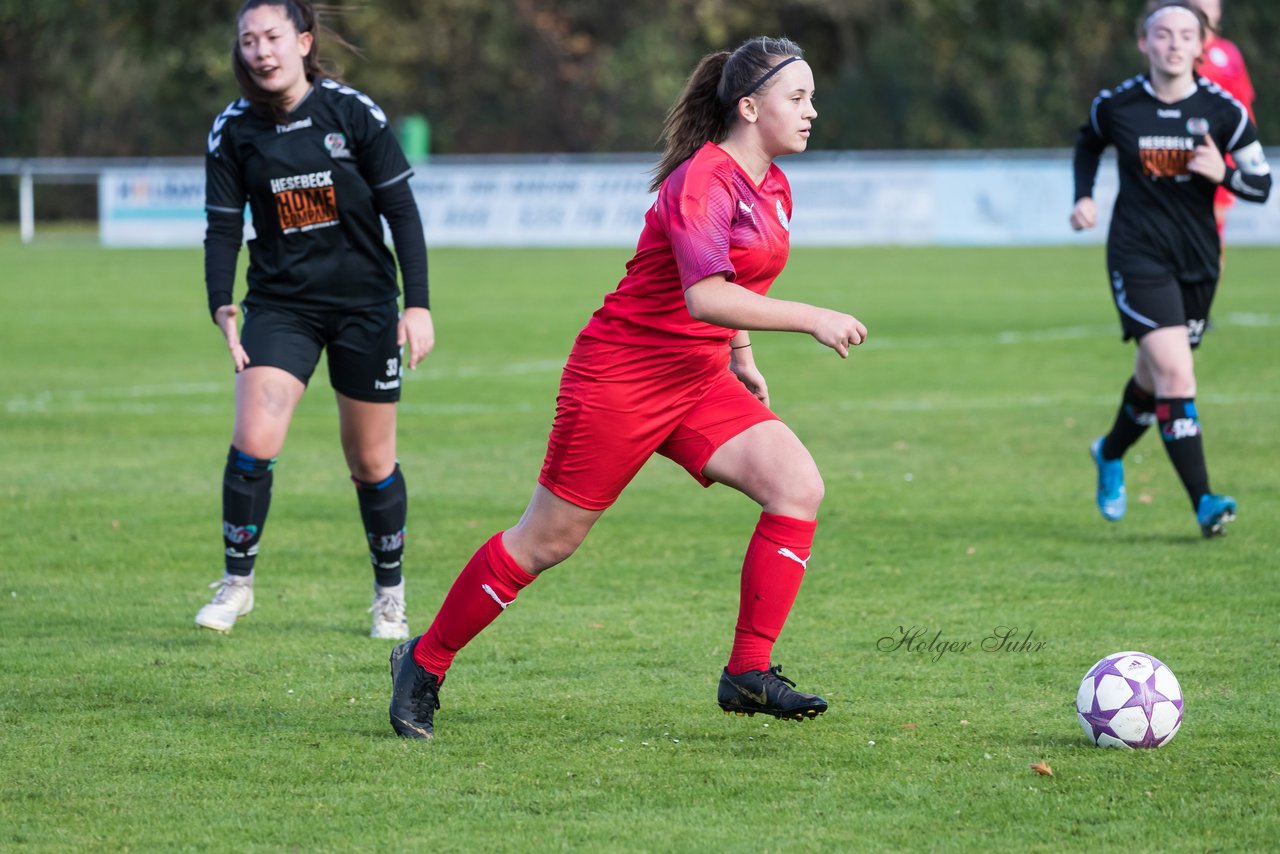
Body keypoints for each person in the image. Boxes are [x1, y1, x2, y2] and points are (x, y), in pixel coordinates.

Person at [388, 36, 868, 739]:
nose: (811, 111)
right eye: (797, 98)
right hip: (622, 378)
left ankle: (747, 673)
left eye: (810, 98)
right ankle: (422, 664)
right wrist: (813, 318)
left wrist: (742, 354)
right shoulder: (703, 179)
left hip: (697, 380)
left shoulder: (772, 184)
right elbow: (706, 295)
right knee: (544, 542)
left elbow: (732, 288)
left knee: (797, 486)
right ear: (747, 106)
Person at [198, 0, 434, 637]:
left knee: (370, 461)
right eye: (248, 41)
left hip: (364, 307)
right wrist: (221, 299)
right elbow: (222, 228)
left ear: (303, 41)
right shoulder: (232, 130)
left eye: (272, 36)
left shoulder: (352, 113)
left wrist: (417, 304)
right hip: (281, 307)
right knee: (254, 439)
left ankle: (390, 596)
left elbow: (402, 213)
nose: (260, 51)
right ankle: (236, 585)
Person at [1071, 0, 1271, 537]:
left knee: (1153, 375)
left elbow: (1263, 184)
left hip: (1199, 261)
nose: (1175, 43)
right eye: (1163, 34)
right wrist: (1083, 198)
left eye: (1187, 34)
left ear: (1203, 45)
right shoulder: (1117, 105)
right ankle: (1205, 502)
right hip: (1138, 256)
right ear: (1144, 42)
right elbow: (1088, 144)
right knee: (1178, 374)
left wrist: (1223, 174)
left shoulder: (1226, 111)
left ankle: (1109, 451)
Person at [1192, 0, 1257, 239]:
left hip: (1222, 151)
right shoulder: (1181, 51)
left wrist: (1247, 146)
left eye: (1212, 4)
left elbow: (1244, 104)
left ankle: (1209, 275)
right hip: (1184, 147)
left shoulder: (1229, 52)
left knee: (1214, 227)